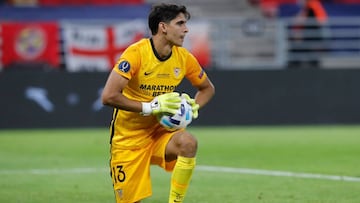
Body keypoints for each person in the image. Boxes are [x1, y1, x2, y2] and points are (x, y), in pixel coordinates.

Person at [101, 3, 215, 203]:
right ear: (163, 27)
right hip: (129, 139)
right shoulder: (135, 54)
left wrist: (193, 107)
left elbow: (207, 88)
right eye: (180, 23)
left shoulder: (184, 57)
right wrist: (150, 107)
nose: (186, 29)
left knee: (188, 143)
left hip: (161, 133)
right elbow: (109, 96)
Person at [288, 0, 328, 68]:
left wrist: (301, 32)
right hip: (306, 37)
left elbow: (322, 21)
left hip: (312, 36)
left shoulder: (314, 5)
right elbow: (298, 22)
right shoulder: (306, 8)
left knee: (313, 60)